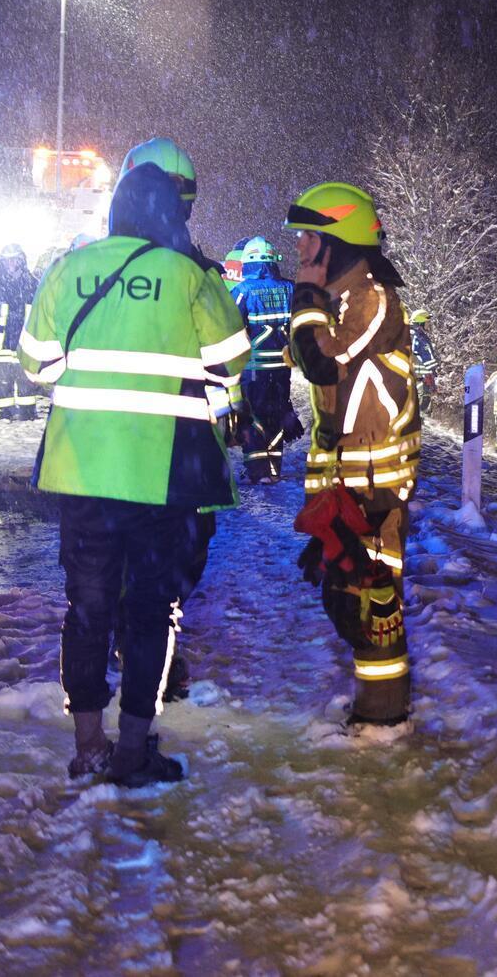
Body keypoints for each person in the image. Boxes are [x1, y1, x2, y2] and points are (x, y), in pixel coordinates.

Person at [19, 163, 250, 786]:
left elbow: (37, 364)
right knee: (151, 610)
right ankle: (133, 748)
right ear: (171, 217)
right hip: (161, 475)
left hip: (84, 473)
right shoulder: (186, 277)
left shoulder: (71, 269)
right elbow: (233, 362)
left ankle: (87, 745)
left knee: (88, 608)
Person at [285, 182, 418, 727]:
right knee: (346, 596)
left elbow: (320, 361)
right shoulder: (344, 300)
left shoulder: (371, 299)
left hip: (375, 487)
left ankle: (383, 720)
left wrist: (306, 294)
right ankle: (375, 708)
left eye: (309, 238)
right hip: (350, 483)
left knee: (373, 602)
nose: (299, 249)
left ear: (336, 242)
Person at [117, 136, 243, 702]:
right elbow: (230, 355)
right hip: (175, 450)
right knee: (170, 563)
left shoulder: (87, 269)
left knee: (118, 565)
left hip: (108, 449)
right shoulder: (194, 273)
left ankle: (127, 656)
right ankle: (152, 665)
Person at [231, 236, 298, 484]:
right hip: (282, 367)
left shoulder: (242, 291)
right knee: (277, 414)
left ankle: (257, 471)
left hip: (254, 368)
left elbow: (229, 327)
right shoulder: (291, 288)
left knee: (253, 416)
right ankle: (273, 469)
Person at [0, 243, 39, 420]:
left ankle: (27, 413)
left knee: (26, 382)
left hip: (25, 343)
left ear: (21, 261)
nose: (10, 264)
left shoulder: (32, 284)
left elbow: (40, 314)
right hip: (2, 344)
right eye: (7, 261)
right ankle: (4, 413)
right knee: (2, 382)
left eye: (14, 260)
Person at [407, 308, 441, 403]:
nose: (428, 325)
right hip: (419, 378)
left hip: (418, 377)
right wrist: (431, 373)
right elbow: (423, 357)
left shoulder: (416, 335)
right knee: (422, 405)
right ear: (420, 322)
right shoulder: (416, 337)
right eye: (427, 322)